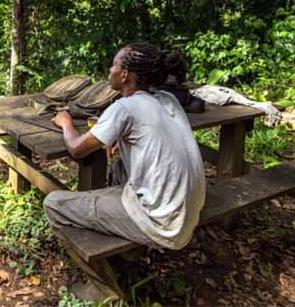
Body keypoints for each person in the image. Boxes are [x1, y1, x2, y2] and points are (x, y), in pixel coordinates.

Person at [44, 42, 205, 250]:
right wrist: (123, 140)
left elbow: (76, 148)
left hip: (163, 225)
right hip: (189, 212)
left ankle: (99, 266)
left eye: (113, 65)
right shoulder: (168, 99)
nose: (110, 71)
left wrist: (65, 122)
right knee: (120, 167)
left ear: (124, 75)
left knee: (53, 203)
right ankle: (120, 234)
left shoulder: (124, 108)